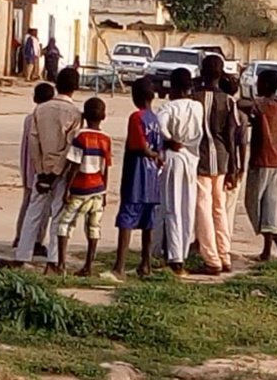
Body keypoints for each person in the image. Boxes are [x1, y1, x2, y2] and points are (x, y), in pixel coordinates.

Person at [15, 67, 82, 272]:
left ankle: (23, 254)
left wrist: (41, 168)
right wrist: (55, 172)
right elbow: (71, 147)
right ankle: (53, 260)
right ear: (75, 88)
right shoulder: (75, 113)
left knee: (33, 212)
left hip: (41, 169)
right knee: (58, 215)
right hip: (60, 173)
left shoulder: (40, 109)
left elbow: (33, 141)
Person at [152, 68, 204, 277]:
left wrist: (169, 139)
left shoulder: (169, 107)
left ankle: (175, 259)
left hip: (173, 157)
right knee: (187, 206)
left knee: (172, 207)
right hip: (191, 158)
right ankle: (179, 251)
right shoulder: (197, 107)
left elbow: (159, 126)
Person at [54, 97, 112, 276]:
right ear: (104, 116)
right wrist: (104, 192)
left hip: (80, 188)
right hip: (98, 188)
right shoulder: (106, 139)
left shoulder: (81, 136)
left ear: (84, 115)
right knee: (94, 227)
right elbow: (105, 168)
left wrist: (67, 189)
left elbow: (75, 164)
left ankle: (62, 263)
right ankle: (88, 265)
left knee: (65, 224)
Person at [112, 78, 163, 279]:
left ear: (135, 97)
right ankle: (145, 264)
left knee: (127, 218)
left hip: (137, 175)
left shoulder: (137, 118)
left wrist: (152, 154)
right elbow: (159, 148)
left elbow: (141, 147)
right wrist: (157, 156)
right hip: (152, 178)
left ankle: (120, 267)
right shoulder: (156, 119)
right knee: (148, 221)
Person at [192, 55, 238, 274]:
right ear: (221, 73)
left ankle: (211, 259)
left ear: (202, 71)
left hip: (200, 156)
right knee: (218, 206)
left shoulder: (194, 98)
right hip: (221, 157)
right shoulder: (229, 101)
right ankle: (224, 254)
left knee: (203, 205)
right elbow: (231, 136)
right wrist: (234, 166)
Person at [243, 69, 277, 261]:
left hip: (261, 159)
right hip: (276, 159)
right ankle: (269, 249)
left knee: (253, 203)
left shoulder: (262, 106)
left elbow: (242, 104)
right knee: (269, 204)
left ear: (265, 85)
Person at [13, 82, 55, 256]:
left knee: (27, 204)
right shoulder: (43, 119)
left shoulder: (29, 118)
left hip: (28, 169)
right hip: (39, 170)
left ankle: (20, 236)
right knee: (41, 208)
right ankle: (36, 240)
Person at [220, 75, 248, 238]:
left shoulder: (216, 107)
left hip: (216, 162)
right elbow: (242, 144)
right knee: (228, 207)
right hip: (231, 163)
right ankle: (224, 241)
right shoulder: (239, 113)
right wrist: (241, 167)